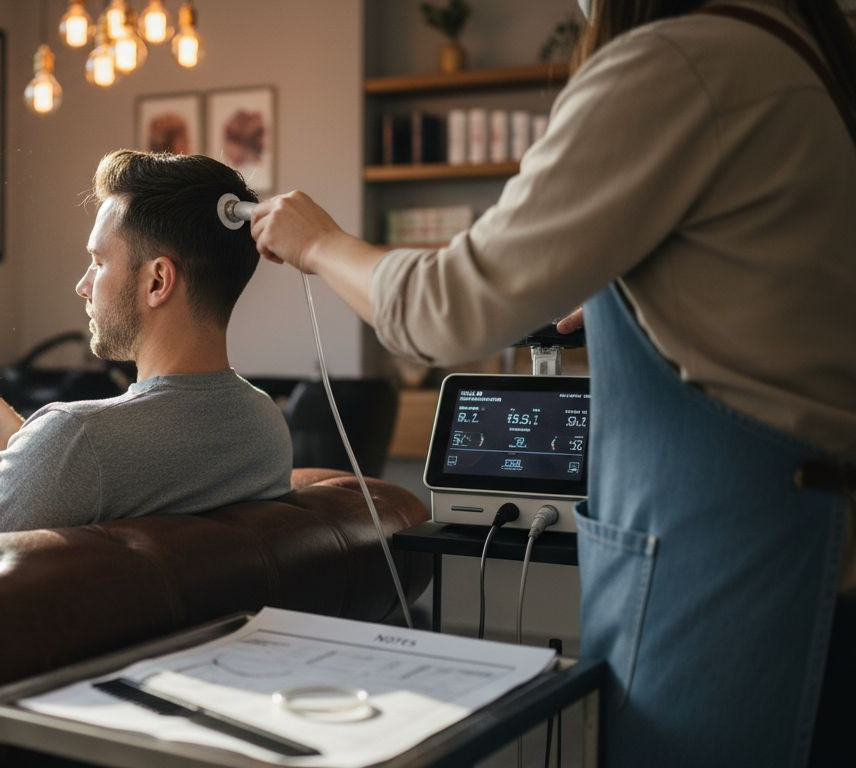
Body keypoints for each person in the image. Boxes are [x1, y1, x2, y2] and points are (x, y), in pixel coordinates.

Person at [249, 1, 855, 765]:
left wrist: (320, 243)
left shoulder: (678, 65)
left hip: (732, 592)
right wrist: (636, 298)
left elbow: (444, 308)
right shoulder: (807, 58)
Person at [0, 151, 291, 536]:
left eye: (98, 263)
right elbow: (124, 477)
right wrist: (25, 442)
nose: (83, 286)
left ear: (157, 282)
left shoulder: (76, 437)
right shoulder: (264, 426)